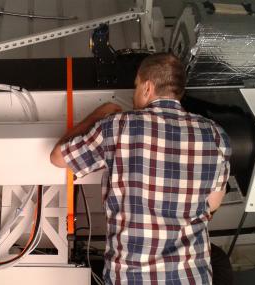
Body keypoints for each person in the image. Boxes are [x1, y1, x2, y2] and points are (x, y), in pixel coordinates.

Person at [50, 53, 231, 284]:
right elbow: (213, 203)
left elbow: (58, 157)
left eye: (135, 87)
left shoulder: (118, 126)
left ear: (147, 87)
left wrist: (101, 113)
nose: (134, 94)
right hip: (191, 276)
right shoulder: (215, 134)